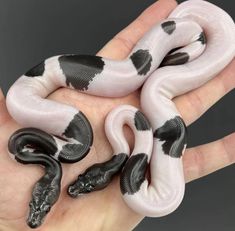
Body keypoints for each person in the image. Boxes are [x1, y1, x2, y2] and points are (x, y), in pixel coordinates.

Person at [0, 0, 235, 230]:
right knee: (147, 84)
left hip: (185, 37)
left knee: (143, 81)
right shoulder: (39, 143)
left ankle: (194, 41)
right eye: (86, 185)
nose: (75, 189)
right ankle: (193, 42)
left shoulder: (60, 138)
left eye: (36, 204)